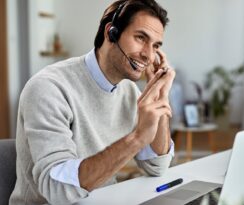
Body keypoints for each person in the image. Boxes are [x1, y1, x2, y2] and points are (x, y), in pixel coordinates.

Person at [9, 0, 175, 204]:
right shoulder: (48, 88)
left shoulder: (130, 92)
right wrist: (137, 138)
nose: (149, 55)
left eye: (156, 46)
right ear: (111, 32)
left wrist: (159, 93)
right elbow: (58, 191)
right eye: (140, 38)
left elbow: (157, 166)